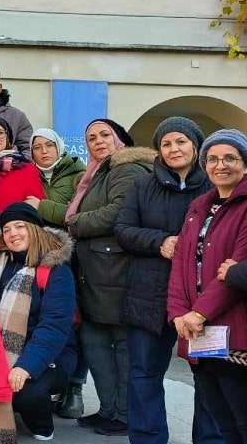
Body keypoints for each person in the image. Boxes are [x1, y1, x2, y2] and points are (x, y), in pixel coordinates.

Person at [115, 117, 220, 444]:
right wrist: (161, 242)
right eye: (166, 143)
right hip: (149, 294)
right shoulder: (144, 185)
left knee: (209, 377)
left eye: (181, 141)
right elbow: (123, 230)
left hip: (204, 300)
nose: (174, 148)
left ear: (196, 145)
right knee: (144, 374)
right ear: (159, 151)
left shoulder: (216, 185)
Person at [65, 119, 155, 437]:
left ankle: (123, 414)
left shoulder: (127, 167)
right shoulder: (98, 173)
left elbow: (119, 212)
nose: (98, 142)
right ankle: (108, 410)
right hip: (98, 273)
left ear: (120, 139)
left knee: (120, 346)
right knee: (97, 345)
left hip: (116, 272)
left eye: (105, 135)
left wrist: (74, 223)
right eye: (91, 138)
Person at [0, 203, 76, 443]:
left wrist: (26, 366)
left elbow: (54, 327)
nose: (12, 233)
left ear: (35, 229)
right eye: (6, 229)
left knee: (27, 392)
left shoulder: (55, 271)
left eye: (19, 226)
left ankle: (43, 425)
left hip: (48, 354)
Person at [168, 129, 247, 444]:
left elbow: (236, 272)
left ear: (244, 164)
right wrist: (177, 313)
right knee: (222, 421)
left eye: (230, 158)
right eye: (213, 159)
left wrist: (198, 313)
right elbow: (181, 265)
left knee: (242, 422)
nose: (220, 165)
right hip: (196, 331)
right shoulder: (199, 207)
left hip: (234, 330)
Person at [23, 127, 86, 418]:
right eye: (37, 147)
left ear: (59, 147)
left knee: (74, 320)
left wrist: (41, 206)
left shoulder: (79, 174)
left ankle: (75, 386)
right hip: (36, 254)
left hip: (70, 255)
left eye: (49, 145)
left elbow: (76, 213)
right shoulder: (27, 174)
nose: (44, 151)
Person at [0, 116, 44, 242]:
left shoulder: (26, 169)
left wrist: (6, 218)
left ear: (8, 138)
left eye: (0, 133)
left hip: (14, 241)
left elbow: (35, 210)